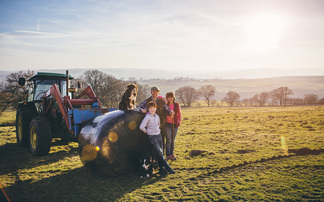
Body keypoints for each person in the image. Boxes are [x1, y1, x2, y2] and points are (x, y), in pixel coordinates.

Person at [139, 101, 175, 174]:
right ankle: (169, 168)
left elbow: (158, 125)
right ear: (148, 109)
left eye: (154, 108)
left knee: (159, 153)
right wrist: (148, 132)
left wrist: (157, 130)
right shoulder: (147, 117)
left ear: (156, 108)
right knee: (160, 152)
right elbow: (141, 127)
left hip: (158, 135)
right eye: (151, 108)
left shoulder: (157, 116)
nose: (152, 109)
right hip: (152, 137)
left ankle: (162, 169)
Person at [164, 92, 181, 160]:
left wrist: (178, 122)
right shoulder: (165, 105)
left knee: (173, 140)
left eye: (171, 97)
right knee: (169, 140)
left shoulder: (176, 105)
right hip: (167, 124)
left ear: (173, 98)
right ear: (167, 98)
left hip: (175, 124)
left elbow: (179, 114)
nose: (170, 98)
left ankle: (172, 153)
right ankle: (168, 155)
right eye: (168, 97)